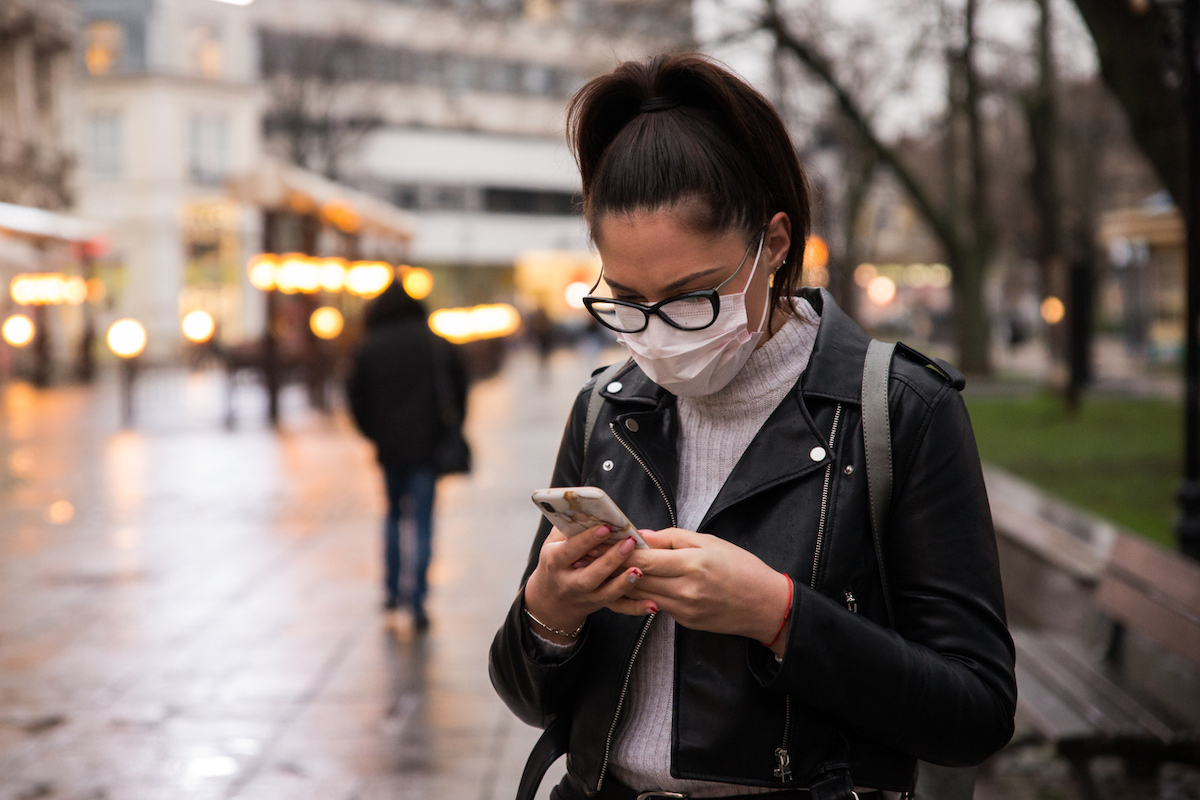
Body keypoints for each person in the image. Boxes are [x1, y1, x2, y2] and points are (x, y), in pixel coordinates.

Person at [489, 53, 1016, 800]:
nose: (659, 335)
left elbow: (976, 714)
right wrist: (547, 612)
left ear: (772, 244)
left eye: (691, 297)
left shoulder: (897, 410)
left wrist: (778, 616)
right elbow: (530, 702)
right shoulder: (606, 406)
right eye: (629, 302)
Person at [347, 280, 468, 631]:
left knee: (393, 517)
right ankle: (417, 601)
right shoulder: (434, 343)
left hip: (389, 449)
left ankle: (391, 590)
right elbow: (459, 390)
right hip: (427, 449)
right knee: (423, 522)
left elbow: (355, 400)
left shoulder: (369, 347)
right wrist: (448, 429)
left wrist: (375, 434)